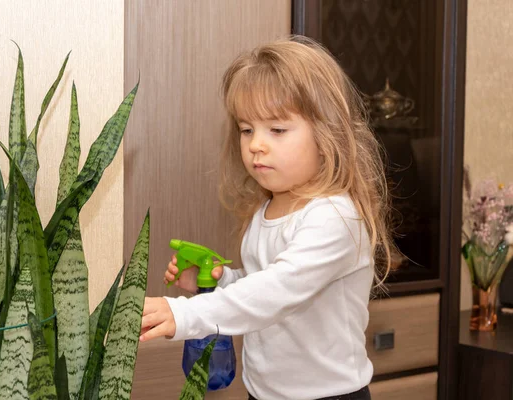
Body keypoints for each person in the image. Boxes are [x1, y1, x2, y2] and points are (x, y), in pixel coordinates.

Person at [140, 35, 393, 400]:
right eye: (247, 129)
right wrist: (220, 280)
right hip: (264, 393)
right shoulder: (268, 209)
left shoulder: (335, 217)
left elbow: (275, 292)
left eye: (276, 129)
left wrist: (184, 313)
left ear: (328, 135)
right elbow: (259, 282)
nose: (256, 143)